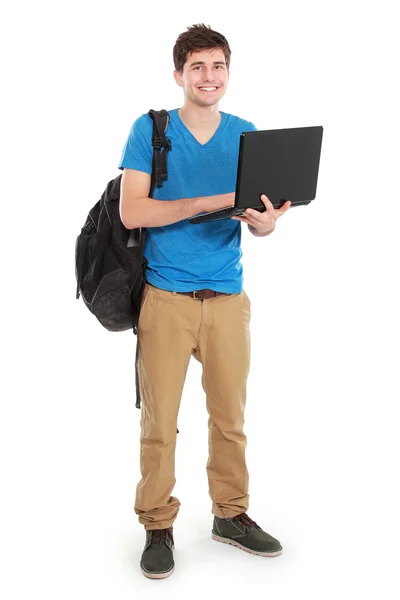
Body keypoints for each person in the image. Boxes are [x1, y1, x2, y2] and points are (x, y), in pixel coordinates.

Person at [118, 23, 291, 580]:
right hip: (166, 298)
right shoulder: (151, 131)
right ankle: (156, 524)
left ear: (227, 73)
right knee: (160, 422)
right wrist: (210, 200)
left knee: (230, 419)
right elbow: (133, 212)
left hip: (227, 298)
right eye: (197, 67)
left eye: (217, 66)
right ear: (179, 75)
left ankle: (231, 515)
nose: (208, 76)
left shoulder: (246, 134)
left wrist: (265, 224)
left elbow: (259, 224)